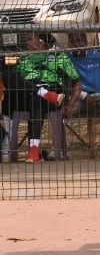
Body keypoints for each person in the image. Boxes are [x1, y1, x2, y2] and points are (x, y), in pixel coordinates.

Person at [15, 33, 81, 162]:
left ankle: (34, 150)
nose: (26, 42)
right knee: (32, 94)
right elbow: (16, 82)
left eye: (29, 39)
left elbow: (77, 82)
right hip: (26, 96)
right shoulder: (23, 59)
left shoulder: (58, 56)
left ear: (41, 41)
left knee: (37, 99)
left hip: (54, 97)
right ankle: (43, 93)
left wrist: (71, 104)